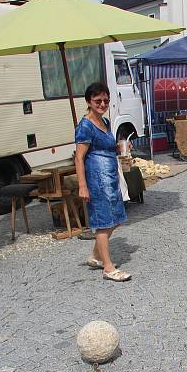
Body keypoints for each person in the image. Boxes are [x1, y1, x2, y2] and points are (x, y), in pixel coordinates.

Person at [74, 82, 131, 282]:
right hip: (97, 180)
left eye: (106, 100)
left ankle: (95, 255)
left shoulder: (105, 122)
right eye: (98, 101)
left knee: (116, 219)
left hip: (110, 177)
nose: (102, 104)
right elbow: (79, 157)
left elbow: (106, 147)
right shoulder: (86, 126)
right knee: (104, 222)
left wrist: (120, 147)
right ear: (89, 101)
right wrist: (82, 185)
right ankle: (108, 267)